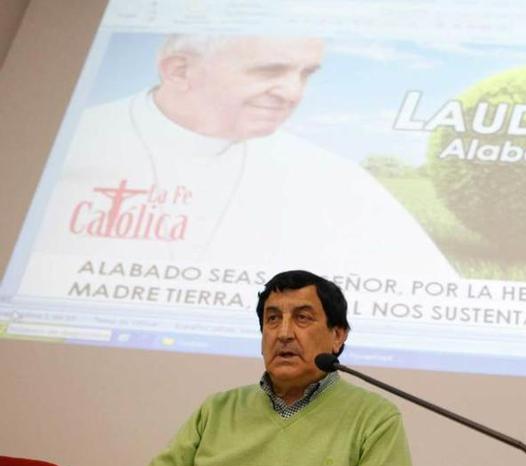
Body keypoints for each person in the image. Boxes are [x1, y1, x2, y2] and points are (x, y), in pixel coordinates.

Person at [23, 34, 456, 298]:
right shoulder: (64, 149)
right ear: (178, 71)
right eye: (270, 71)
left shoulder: (332, 178)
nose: (291, 92)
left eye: (306, 74)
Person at [129, 270, 416, 466]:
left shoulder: (374, 418)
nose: (284, 333)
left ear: (337, 336)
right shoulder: (216, 410)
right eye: (273, 319)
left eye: (302, 318)